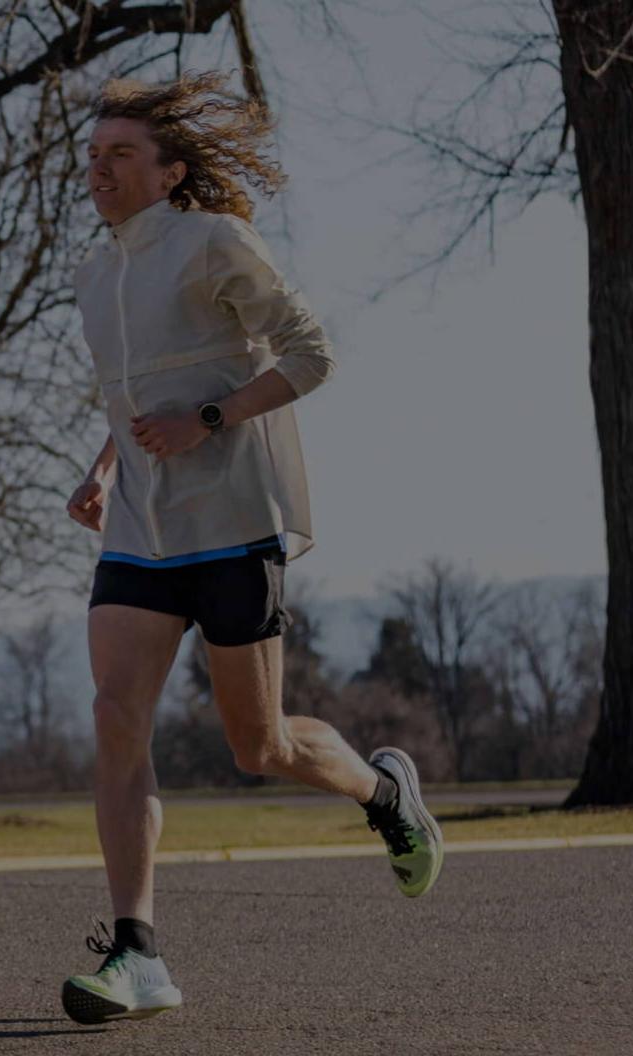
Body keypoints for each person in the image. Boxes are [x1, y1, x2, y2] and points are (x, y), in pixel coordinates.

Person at [59, 73, 443, 1024]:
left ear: (170, 172)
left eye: (121, 155)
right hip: (140, 530)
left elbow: (310, 354)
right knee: (117, 715)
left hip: (232, 521)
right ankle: (136, 952)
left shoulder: (214, 242)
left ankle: (384, 792)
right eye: (93, 155)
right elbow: (132, 391)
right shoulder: (94, 270)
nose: (100, 169)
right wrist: (106, 465)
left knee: (257, 745)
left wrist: (211, 417)